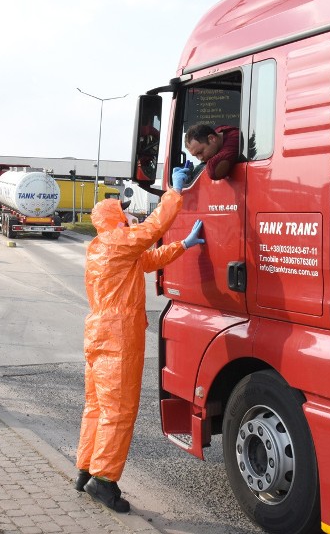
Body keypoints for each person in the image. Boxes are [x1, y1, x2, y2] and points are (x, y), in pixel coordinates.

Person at [75, 166, 205, 512]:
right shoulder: (119, 241)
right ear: (116, 219)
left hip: (98, 334)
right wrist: (174, 194)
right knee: (118, 412)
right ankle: (103, 481)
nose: (128, 220)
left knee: (97, 407)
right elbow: (151, 231)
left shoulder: (101, 249)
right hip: (119, 338)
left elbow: (147, 259)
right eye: (124, 216)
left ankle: (85, 468)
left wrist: (184, 245)